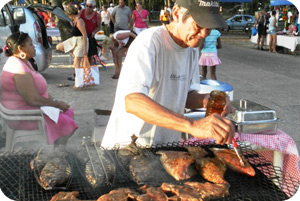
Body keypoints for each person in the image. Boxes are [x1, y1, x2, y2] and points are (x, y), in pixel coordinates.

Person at [101, 0, 235, 148]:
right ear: (177, 13)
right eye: (199, 25)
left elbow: (184, 95)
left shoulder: (191, 48)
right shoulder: (149, 42)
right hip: (129, 147)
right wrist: (191, 125)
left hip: (165, 147)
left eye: (209, 27)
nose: (204, 33)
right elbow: (132, 100)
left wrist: (207, 100)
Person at [0, 32, 78, 146]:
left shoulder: (23, 62)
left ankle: (57, 152)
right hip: (23, 116)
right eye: (31, 44)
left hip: (30, 110)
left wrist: (56, 102)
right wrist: (56, 104)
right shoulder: (18, 69)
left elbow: (40, 92)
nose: (34, 47)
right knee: (66, 123)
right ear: (20, 48)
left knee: (68, 113)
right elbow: (33, 99)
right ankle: (54, 155)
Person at [56, 5, 88, 86]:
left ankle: (78, 81)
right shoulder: (74, 20)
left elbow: (84, 34)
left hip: (80, 40)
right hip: (74, 39)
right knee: (59, 46)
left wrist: (84, 50)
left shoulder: (79, 21)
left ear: (70, 14)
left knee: (76, 64)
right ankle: (74, 55)